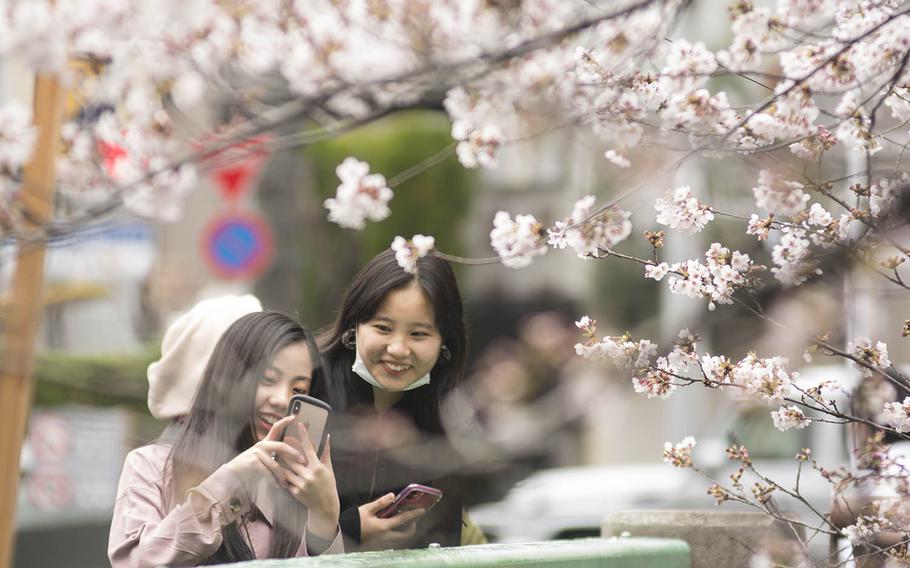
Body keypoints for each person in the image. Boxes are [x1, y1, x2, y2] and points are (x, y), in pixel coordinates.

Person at [109, 312, 343, 566]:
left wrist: (325, 515)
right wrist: (229, 480)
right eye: (267, 379)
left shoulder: (292, 487)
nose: (281, 399)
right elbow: (136, 562)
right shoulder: (151, 466)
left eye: (298, 390)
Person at [315, 249, 474, 551]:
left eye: (418, 334)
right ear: (354, 325)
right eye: (383, 328)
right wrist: (350, 530)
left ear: (444, 343)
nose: (398, 349)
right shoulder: (310, 389)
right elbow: (271, 529)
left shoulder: (448, 417)